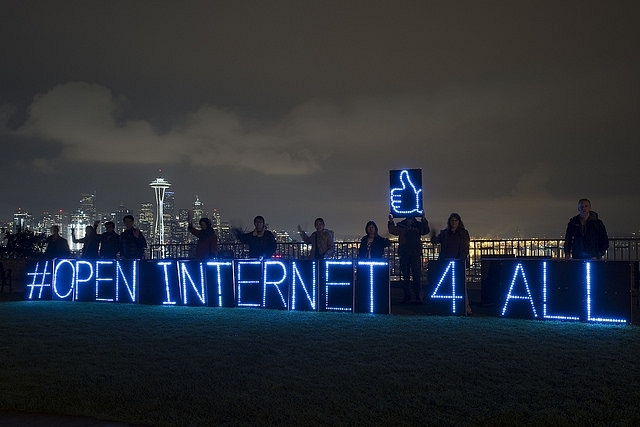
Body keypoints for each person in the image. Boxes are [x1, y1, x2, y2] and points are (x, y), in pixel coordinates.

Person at [431, 213, 472, 315]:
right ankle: (450, 307)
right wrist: (433, 234)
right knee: (449, 285)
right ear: (449, 222)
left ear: (459, 222)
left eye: (456, 221)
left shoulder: (463, 233)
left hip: (459, 263)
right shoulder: (445, 233)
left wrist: (462, 259)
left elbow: (465, 248)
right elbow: (436, 241)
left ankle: (466, 307)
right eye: (452, 221)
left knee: (462, 286)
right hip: (446, 262)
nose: (454, 223)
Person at [388, 213, 430, 302]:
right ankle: (413, 296)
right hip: (409, 253)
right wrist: (423, 219)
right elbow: (425, 230)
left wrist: (423, 219)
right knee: (409, 276)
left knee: (413, 275)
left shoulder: (403, 225)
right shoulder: (416, 225)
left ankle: (413, 295)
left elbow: (393, 231)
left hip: (410, 253)